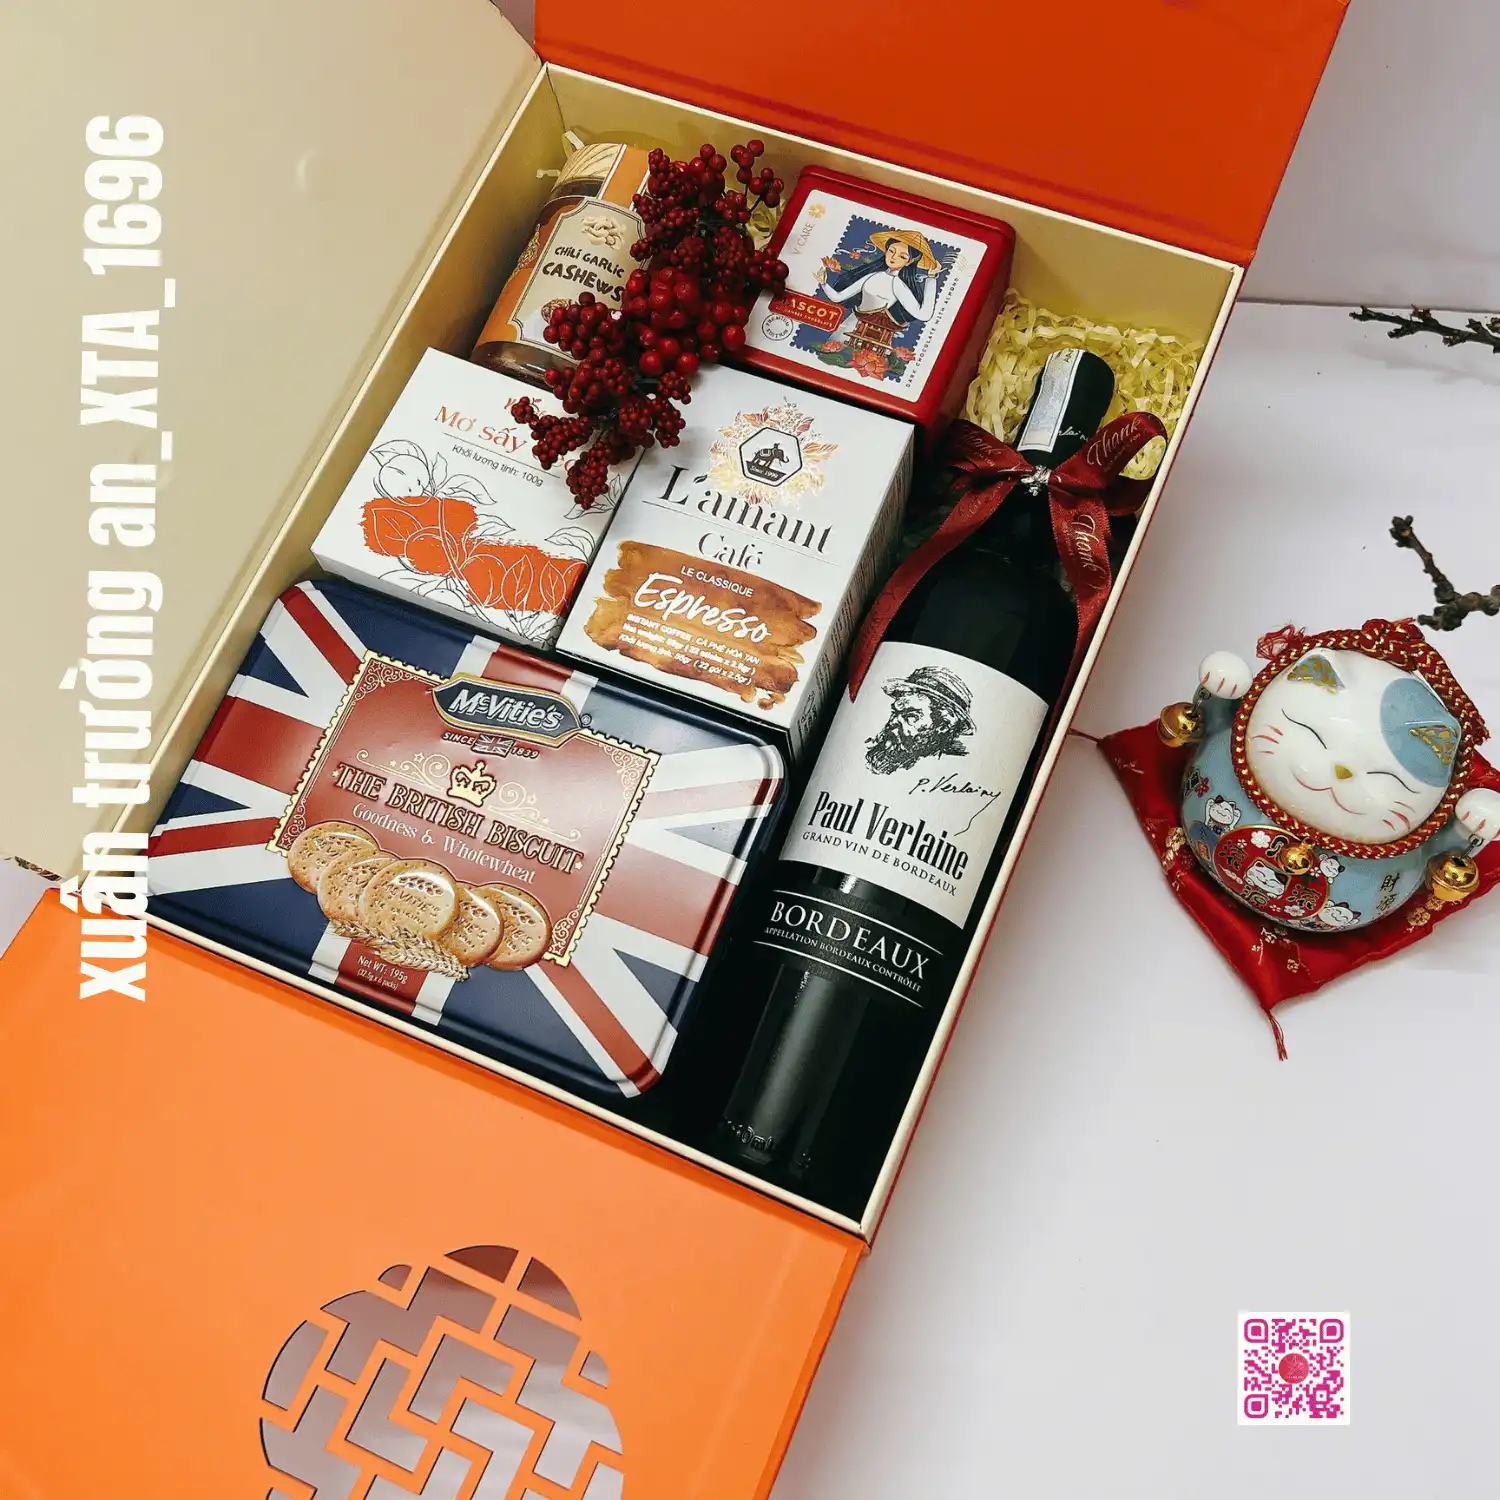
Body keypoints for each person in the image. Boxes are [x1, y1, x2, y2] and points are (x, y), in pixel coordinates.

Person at [814, 228, 942, 330]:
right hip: (850, 322)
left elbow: (924, 315)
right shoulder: (872, 276)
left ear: (910, 261)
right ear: (886, 250)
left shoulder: (898, 285)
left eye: (902, 256)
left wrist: (931, 279)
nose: (893, 257)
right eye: (891, 251)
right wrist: (823, 283)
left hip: (876, 331)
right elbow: (838, 297)